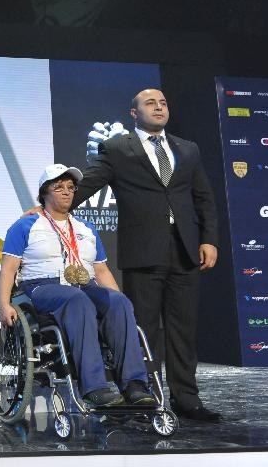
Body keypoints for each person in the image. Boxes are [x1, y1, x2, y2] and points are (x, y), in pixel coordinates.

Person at [70, 88, 220, 421]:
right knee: (145, 329)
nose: (159, 107)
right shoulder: (117, 148)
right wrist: (47, 208)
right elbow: (88, 184)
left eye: (163, 103)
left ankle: (186, 399)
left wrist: (209, 239)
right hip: (144, 251)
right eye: (151, 103)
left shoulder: (188, 149)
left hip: (185, 250)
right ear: (134, 113)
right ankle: (143, 395)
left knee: (183, 330)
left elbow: (203, 198)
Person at [0, 164, 157, 408]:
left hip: (84, 286)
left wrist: (119, 307)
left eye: (71, 187)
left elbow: (101, 271)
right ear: (44, 193)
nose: (66, 192)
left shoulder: (86, 228)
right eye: (58, 187)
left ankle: (134, 384)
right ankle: (94, 388)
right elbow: (8, 270)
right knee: (77, 299)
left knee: (119, 302)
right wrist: (4, 304)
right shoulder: (25, 226)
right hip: (43, 287)